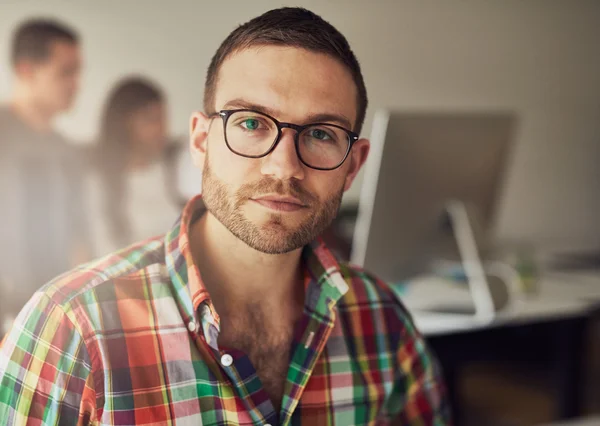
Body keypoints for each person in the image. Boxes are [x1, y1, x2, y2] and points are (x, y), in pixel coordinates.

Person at [0, 8, 451, 425]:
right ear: (200, 142)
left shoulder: (383, 320)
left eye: (320, 133)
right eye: (252, 123)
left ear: (353, 165)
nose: (283, 167)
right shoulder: (72, 327)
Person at [0, 19, 87, 335]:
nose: (76, 84)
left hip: (53, 320)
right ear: (26, 70)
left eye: (78, 73)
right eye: (66, 72)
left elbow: (79, 236)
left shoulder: (67, 151)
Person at [87, 77, 189, 257]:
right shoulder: (100, 185)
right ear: (124, 124)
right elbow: (104, 251)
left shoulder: (177, 166)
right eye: (151, 120)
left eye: (163, 118)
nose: (161, 128)